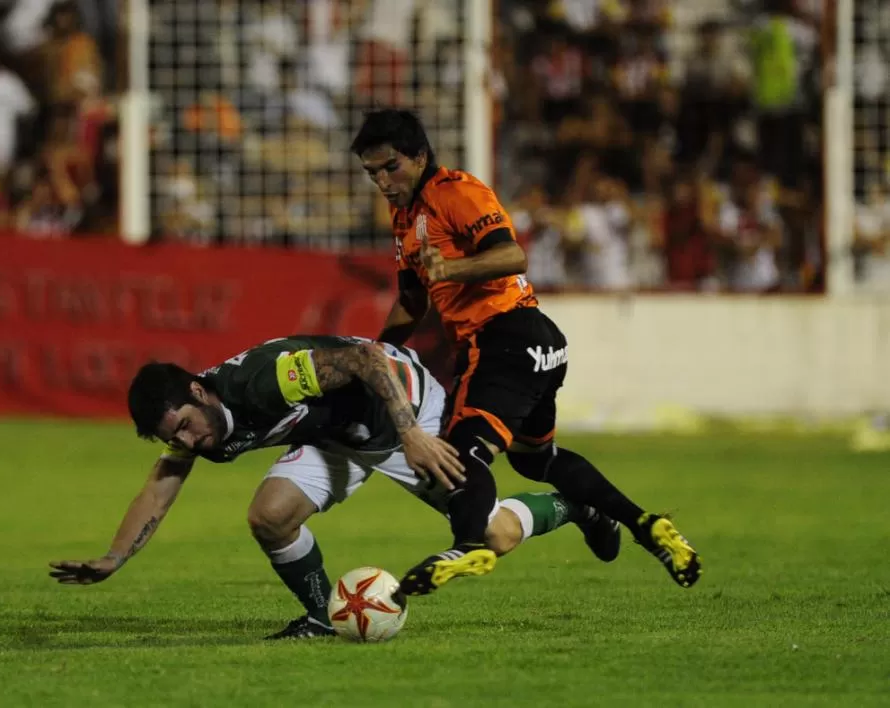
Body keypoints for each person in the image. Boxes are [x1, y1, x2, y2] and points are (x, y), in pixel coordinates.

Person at [49, 335, 618, 639]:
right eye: (174, 437)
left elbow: (367, 359)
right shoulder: (198, 428)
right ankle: (323, 618)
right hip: (336, 434)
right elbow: (162, 483)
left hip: (404, 412)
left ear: (199, 393)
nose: (190, 443)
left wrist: (413, 436)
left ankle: (576, 504)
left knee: (493, 536)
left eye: (184, 429)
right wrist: (115, 557)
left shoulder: (263, 381)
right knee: (269, 514)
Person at [350, 109, 702, 595]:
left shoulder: (456, 192)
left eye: (391, 167)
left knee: (461, 454)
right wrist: (373, 356)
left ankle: (470, 545)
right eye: (373, 173)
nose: (383, 182)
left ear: (419, 156)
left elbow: (512, 255)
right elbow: (413, 301)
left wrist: (451, 271)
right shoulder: (405, 216)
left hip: (504, 337)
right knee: (536, 460)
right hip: (537, 344)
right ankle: (644, 524)